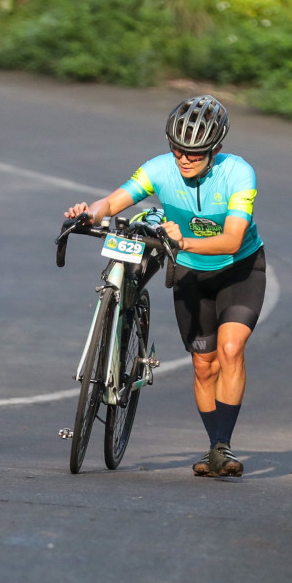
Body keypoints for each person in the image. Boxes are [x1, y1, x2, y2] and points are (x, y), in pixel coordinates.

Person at [65, 95, 265, 478]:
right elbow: (115, 201)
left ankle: (222, 447)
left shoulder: (238, 173)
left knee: (230, 349)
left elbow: (232, 240)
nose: (184, 159)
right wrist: (89, 213)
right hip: (190, 273)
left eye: (196, 153)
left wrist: (183, 241)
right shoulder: (159, 169)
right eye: (178, 150)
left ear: (216, 149)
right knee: (203, 365)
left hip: (238, 269)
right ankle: (214, 451)